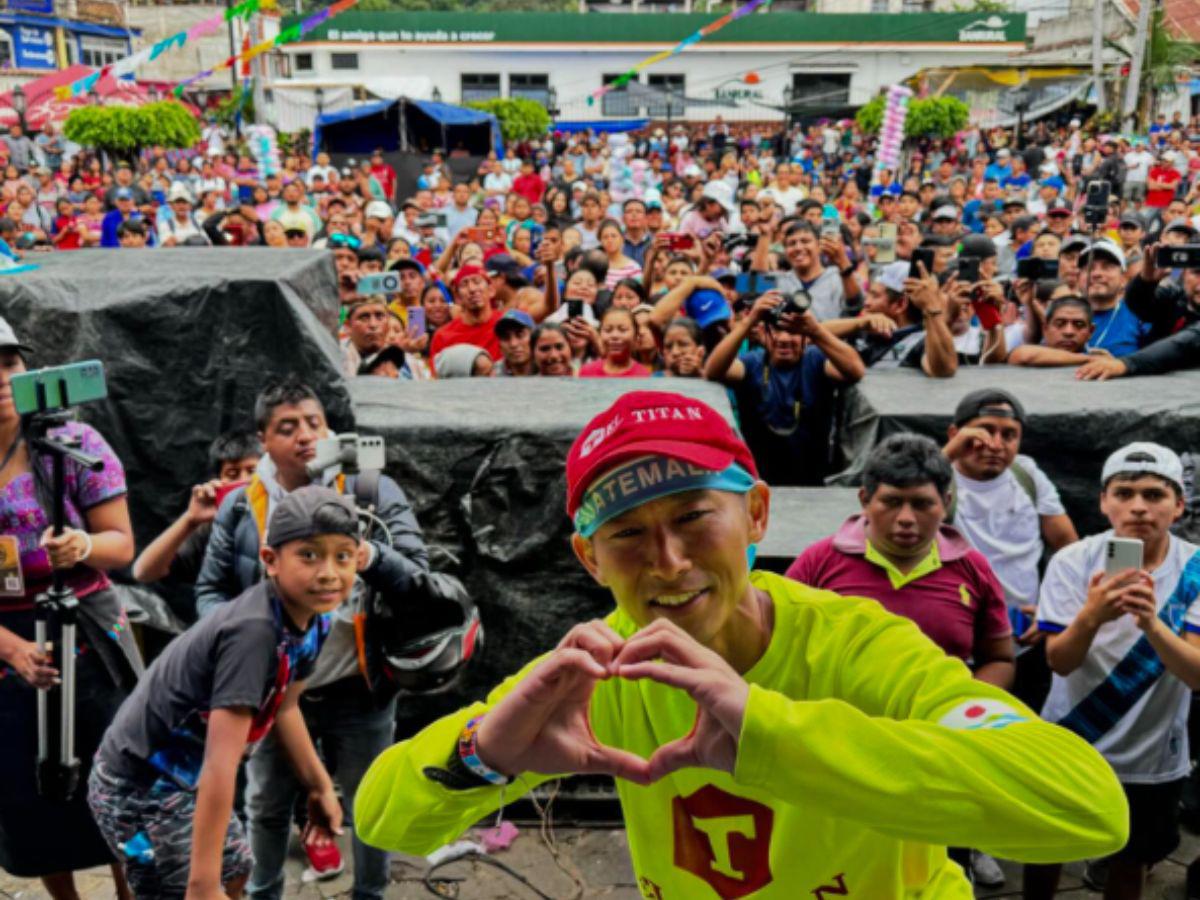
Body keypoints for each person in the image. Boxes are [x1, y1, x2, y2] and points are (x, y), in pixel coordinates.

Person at [355, 390, 1127, 899]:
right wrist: (484, 755)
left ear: (757, 514)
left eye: (695, 517)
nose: (669, 562)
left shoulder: (858, 646)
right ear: (589, 560)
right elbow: (386, 821)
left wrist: (767, 732)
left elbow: (1088, 808)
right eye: (626, 535)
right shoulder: (602, 667)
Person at [194, 377, 429, 900]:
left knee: (370, 805)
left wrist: (368, 554)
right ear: (263, 440)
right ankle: (264, 893)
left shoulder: (370, 491)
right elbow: (209, 590)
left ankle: (370, 893)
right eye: (286, 427)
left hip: (359, 684)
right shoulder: (241, 507)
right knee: (266, 806)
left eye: (314, 423)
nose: (304, 436)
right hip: (271, 691)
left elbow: (419, 577)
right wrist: (242, 643)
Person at [89, 486, 354, 900]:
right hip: (141, 786)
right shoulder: (254, 632)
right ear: (270, 561)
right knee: (185, 889)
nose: (328, 572)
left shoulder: (316, 619)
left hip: (191, 779)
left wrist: (318, 786)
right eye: (309, 554)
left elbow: (285, 708)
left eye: (343, 556)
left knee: (236, 869)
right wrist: (201, 884)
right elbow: (220, 763)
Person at [0, 318, 142, 899]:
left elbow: (121, 543)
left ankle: (130, 888)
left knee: (117, 774)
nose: (1, 379)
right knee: (27, 790)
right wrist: (9, 649)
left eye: (9, 363)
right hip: (6, 635)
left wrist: (82, 545)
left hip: (87, 624)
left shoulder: (73, 443)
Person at [1028, 443, 1200, 900]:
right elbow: (1059, 661)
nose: (1139, 507)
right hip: (1069, 740)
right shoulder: (1072, 562)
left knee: (1132, 860)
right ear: (1103, 501)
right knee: (1045, 849)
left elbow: (1197, 674)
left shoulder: (1196, 569)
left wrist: (1151, 624)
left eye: (1154, 494)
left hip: (1152, 753)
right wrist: (1091, 616)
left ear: (1179, 505)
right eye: (1123, 493)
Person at [941, 390, 1078, 710]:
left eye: (1009, 434)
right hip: (954, 645)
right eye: (985, 431)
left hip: (1022, 640)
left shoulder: (1026, 474)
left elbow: (1068, 547)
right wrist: (948, 453)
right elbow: (901, 492)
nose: (996, 444)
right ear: (955, 434)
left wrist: (1051, 607)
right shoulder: (937, 480)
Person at [704, 291, 863, 486]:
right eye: (777, 330)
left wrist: (816, 330)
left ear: (805, 336)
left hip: (812, 483)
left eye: (793, 331)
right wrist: (749, 321)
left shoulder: (816, 360)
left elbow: (855, 370)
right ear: (763, 334)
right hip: (759, 481)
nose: (784, 339)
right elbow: (713, 370)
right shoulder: (752, 363)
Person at [132, 430, 261, 620]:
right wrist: (191, 519)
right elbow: (143, 572)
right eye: (232, 474)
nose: (243, 481)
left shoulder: (285, 518)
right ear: (218, 481)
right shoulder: (212, 530)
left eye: (252, 471)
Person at [429, 265, 505, 362]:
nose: (472, 289)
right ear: (457, 297)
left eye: (477, 282)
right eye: (464, 284)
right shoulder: (442, 337)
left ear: (491, 290)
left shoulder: (508, 325)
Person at [493, 309, 535, 377]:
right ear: (500, 347)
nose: (513, 344)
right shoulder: (492, 375)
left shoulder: (548, 370)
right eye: (506, 338)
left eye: (520, 335)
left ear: (534, 339)